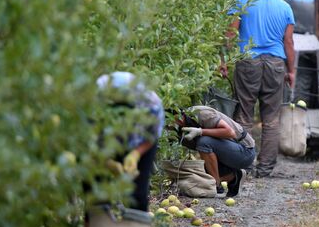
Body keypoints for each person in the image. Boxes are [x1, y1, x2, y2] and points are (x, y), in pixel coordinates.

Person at [220, 0, 295, 178]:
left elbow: (231, 34)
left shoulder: (243, 1)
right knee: (271, 118)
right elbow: (288, 42)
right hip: (276, 63)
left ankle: (243, 165)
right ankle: (264, 168)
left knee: (244, 114)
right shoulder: (284, 7)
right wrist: (291, 71)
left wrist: (224, 60)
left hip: (247, 61)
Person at [95, 71, 165, 211]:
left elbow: (152, 135)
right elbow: (86, 137)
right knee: (96, 193)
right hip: (102, 143)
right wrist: (105, 160)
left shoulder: (151, 104)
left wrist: (136, 154)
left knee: (138, 194)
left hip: (138, 140)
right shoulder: (95, 98)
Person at [177, 105, 256, 197]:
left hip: (245, 151)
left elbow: (230, 132)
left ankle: (215, 185)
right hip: (227, 153)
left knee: (204, 142)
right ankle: (234, 177)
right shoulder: (178, 128)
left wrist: (200, 131)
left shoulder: (200, 113)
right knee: (202, 170)